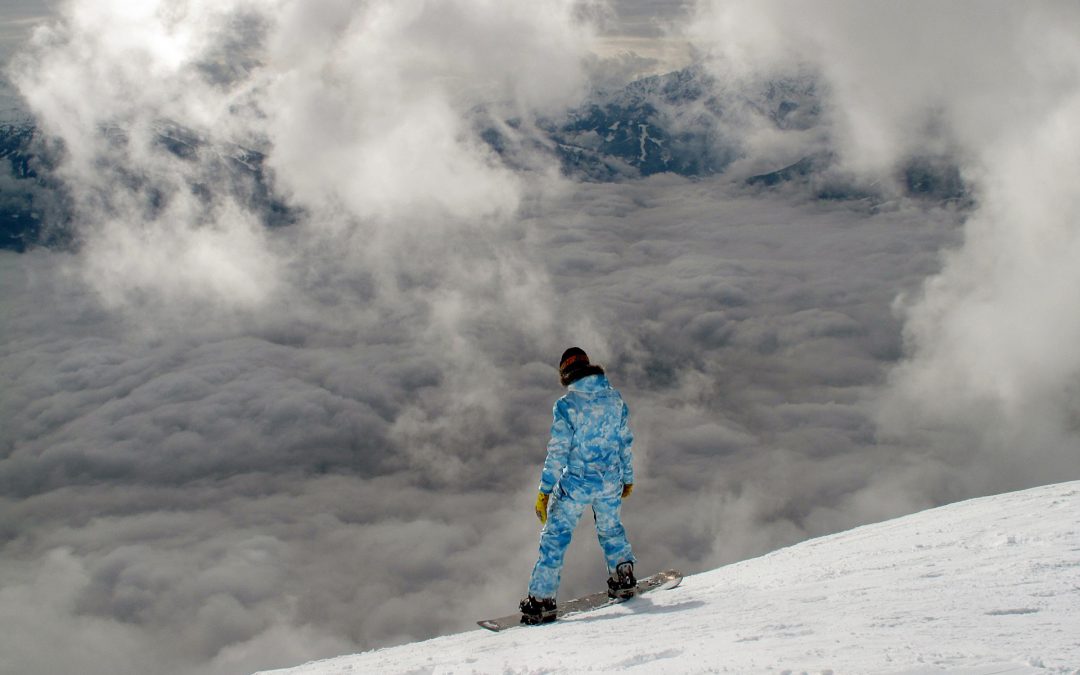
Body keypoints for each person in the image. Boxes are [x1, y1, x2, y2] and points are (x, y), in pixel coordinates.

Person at [520, 347, 637, 625]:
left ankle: (541, 600)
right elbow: (624, 442)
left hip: (576, 482)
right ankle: (624, 577)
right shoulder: (615, 399)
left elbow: (558, 451)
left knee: (555, 538)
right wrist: (628, 478)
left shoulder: (566, 406)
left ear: (566, 374)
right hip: (610, 479)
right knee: (611, 529)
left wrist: (544, 490)